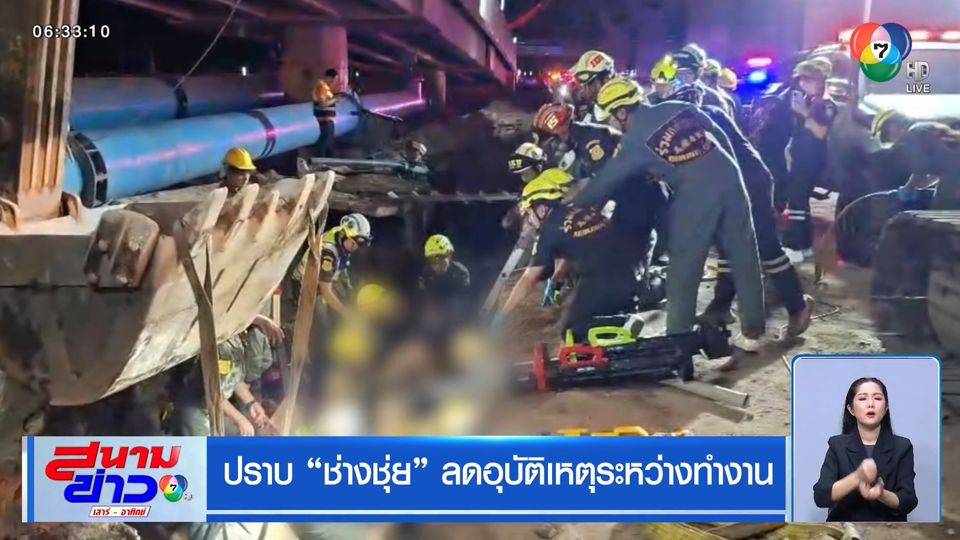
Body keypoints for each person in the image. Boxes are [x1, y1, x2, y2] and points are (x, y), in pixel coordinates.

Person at [575, 76, 767, 351]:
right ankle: (753, 333)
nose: (610, 124)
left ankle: (677, 340)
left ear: (621, 112)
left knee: (683, 267)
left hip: (696, 194)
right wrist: (726, 170)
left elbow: (606, 181)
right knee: (744, 254)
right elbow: (719, 134)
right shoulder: (677, 106)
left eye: (611, 118)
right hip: (731, 177)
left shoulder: (633, 142)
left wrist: (573, 203)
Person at [651, 68, 813, 337]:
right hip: (731, 185)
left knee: (765, 245)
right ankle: (721, 306)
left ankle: (798, 305)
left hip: (750, 184)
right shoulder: (700, 118)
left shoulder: (702, 121)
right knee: (726, 244)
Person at [492, 175, 645, 343]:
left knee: (571, 330)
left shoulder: (549, 232)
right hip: (632, 269)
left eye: (528, 214)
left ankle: (624, 323)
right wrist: (554, 282)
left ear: (541, 208)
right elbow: (568, 255)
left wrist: (503, 314)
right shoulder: (579, 210)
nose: (529, 221)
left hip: (602, 278)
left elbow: (528, 279)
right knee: (592, 315)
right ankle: (620, 328)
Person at [812, 377, 918, 522]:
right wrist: (857, 477)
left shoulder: (903, 446)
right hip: (847, 526)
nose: (870, 404)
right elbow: (821, 496)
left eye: (877, 398)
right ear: (851, 409)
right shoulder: (837, 445)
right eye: (862, 398)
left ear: (886, 407)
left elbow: (908, 500)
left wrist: (881, 494)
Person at [170, 316, 283, 437]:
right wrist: (240, 419)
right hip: (196, 413)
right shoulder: (225, 351)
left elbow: (233, 380)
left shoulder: (237, 344)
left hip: (211, 411)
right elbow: (214, 393)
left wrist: (252, 403)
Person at [782, 58, 837, 262]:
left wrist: (804, 113)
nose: (803, 83)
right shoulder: (809, 101)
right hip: (800, 158)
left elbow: (821, 132)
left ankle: (795, 246)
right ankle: (804, 245)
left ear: (820, 80)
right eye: (801, 79)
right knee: (798, 201)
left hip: (811, 160)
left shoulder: (826, 104)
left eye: (808, 79)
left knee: (797, 201)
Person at [419, 234, 471, 325]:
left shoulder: (461, 273)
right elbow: (423, 299)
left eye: (441, 261)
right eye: (433, 262)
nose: (437, 266)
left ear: (450, 256)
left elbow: (465, 302)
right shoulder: (426, 274)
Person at [568, 50, 617, 122]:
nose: (583, 92)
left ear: (606, 80)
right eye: (582, 87)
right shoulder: (593, 111)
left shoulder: (624, 108)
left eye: (588, 85)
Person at [312, 68, 340, 157]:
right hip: (324, 120)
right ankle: (321, 159)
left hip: (327, 119)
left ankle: (327, 159)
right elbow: (322, 104)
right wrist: (335, 100)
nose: (334, 82)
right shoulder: (321, 87)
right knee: (324, 142)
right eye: (333, 79)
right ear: (329, 77)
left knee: (328, 142)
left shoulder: (326, 88)